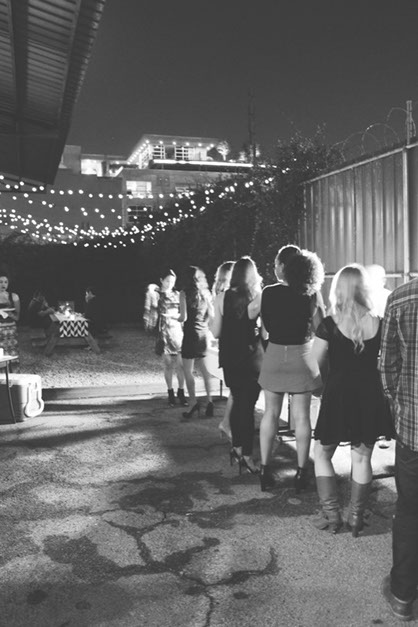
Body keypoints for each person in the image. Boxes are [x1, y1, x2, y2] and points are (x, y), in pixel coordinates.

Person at [311, 264, 394, 536]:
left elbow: (314, 362)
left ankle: (332, 514)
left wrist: (323, 384)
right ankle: (356, 518)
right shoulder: (379, 322)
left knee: (322, 453)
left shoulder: (329, 324)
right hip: (369, 393)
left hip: (338, 393)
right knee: (362, 457)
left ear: (338, 289)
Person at [258, 245, 325, 492]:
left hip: (275, 354)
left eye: (277, 264)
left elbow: (265, 327)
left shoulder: (268, 292)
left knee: (270, 414)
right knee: (302, 417)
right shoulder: (310, 293)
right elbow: (321, 327)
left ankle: (265, 470)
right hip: (302, 356)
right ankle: (301, 473)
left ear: (284, 267)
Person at [379, 276, 418, 621]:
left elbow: (387, 365)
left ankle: (403, 595)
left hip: (414, 431)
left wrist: (401, 404)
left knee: (409, 511)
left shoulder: (401, 296)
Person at [212, 256, 263, 474]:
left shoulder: (221, 298)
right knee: (247, 408)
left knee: (237, 400)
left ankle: (236, 448)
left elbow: (216, 332)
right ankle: (247, 456)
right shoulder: (257, 298)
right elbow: (264, 333)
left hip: (229, 358)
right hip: (251, 358)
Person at [143, 270, 187, 407]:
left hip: (177, 330)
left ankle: (181, 391)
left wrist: (175, 316)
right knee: (168, 364)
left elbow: (183, 313)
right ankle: (170, 392)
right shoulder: (156, 294)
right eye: (167, 281)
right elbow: (150, 292)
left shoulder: (178, 294)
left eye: (172, 281)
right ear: (161, 280)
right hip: (164, 332)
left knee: (181, 365)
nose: (170, 284)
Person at [179, 266, 214, 419]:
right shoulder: (205, 293)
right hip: (202, 334)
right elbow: (211, 315)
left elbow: (183, 317)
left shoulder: (184, 293)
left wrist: (173, 317)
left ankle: (193, 403)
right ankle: (210, 402)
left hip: (190, 334)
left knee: (187, 370)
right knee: (205, 370)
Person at [366, 264, 393, 449]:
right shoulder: (367, 297)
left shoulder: (387, 297)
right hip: (375, 351)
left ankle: (384, 432)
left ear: (383, 280)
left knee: (384, 393)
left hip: (382, 351)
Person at [212, 261, 235, 440]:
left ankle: (228, 423)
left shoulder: (221, 295)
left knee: (236, 391)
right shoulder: (223, 296)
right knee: (237, 390)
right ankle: (228, 424)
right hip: (232, 345)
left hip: (228, 346)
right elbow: (216, 330)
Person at [0, 270, 20, 371]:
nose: (3, 284)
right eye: (0, 282)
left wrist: (8, 313)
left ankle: (14, 375)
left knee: (12, 355)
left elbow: (17, 317)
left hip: (11, 330)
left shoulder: (14, 296)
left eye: (5, 282)